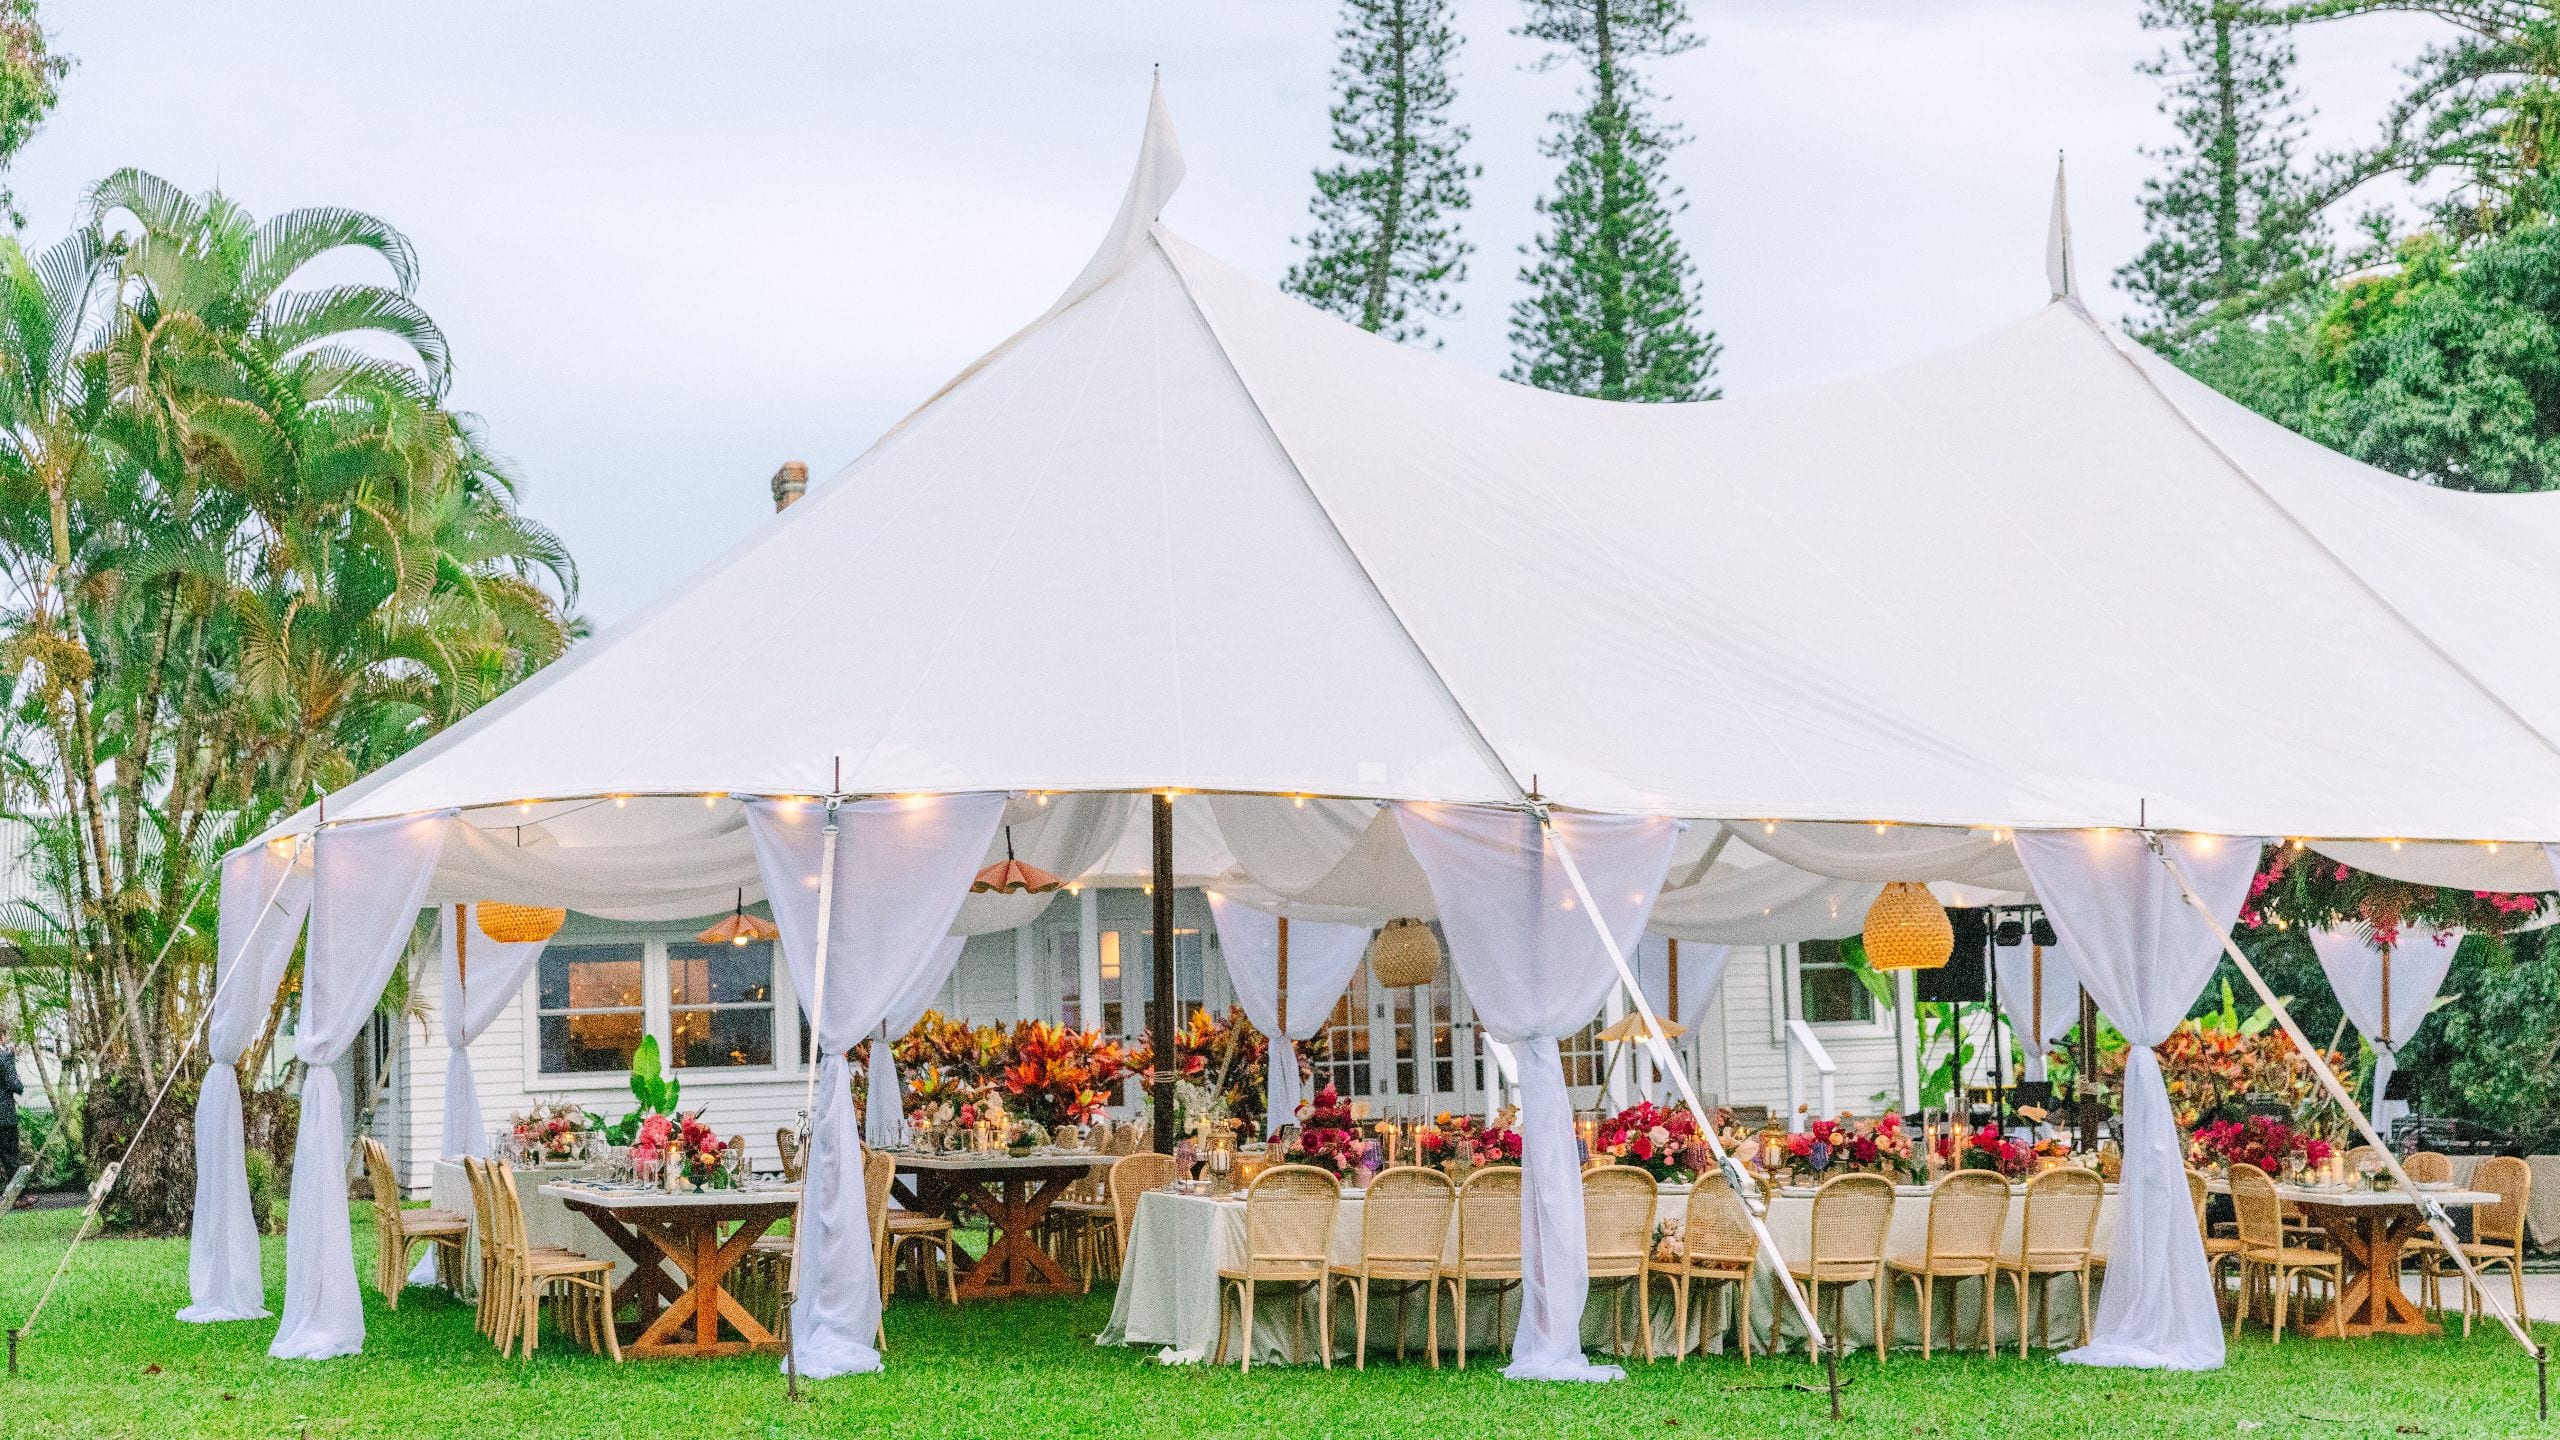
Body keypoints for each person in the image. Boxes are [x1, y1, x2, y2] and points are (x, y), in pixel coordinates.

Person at [0, 1021, 22, 1200]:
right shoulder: (4, 1057)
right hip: (4, 1115)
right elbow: (14, 1084)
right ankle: (18, 1197)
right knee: (11, 1156)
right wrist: (12, 1059)